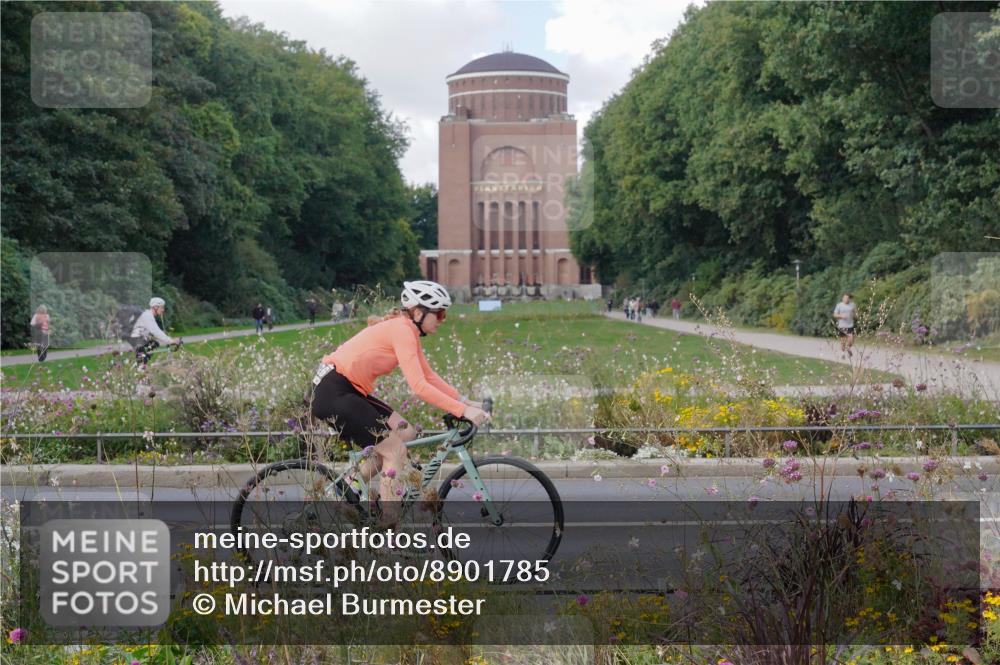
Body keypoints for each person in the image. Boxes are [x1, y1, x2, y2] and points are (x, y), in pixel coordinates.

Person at [309, 280, 489, 525]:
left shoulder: (407, 330)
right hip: (335, 391)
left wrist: (466, 401)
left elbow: (429, 376)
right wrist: (463, 411)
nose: (442, 319)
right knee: (395, 451)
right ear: (418, 312)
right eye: (439, 313)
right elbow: (419, 386)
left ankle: (346, 487)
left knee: (405, 431)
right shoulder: (402, 330)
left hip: (347, 389)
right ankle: (390, 531)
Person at [129, 297, 178, 366]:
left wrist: (167, 338)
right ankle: (140, 367)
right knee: (142, 363)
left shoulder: (149, 315)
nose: (163, 310)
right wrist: (170, 341)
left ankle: (142, 362)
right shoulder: (148, 316)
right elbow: (156, 331)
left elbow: (153, 330)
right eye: (162, 308)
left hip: (140, 338)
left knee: (154, 344)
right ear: (155, 307)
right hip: (137, 339)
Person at [833, 293, 856, 357]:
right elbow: (835, 314)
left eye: (847, 298)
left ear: (849, 299)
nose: (846, 299)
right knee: (843, 341)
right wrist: (841, 316)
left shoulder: (852, 305)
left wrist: (854, 315)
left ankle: (848, 348)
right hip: (842, 325)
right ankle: (843, 353)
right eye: (845, 298)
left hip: (850, 325)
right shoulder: (839, 305)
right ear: (842, 298)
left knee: (851, 339)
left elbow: (855, 313)